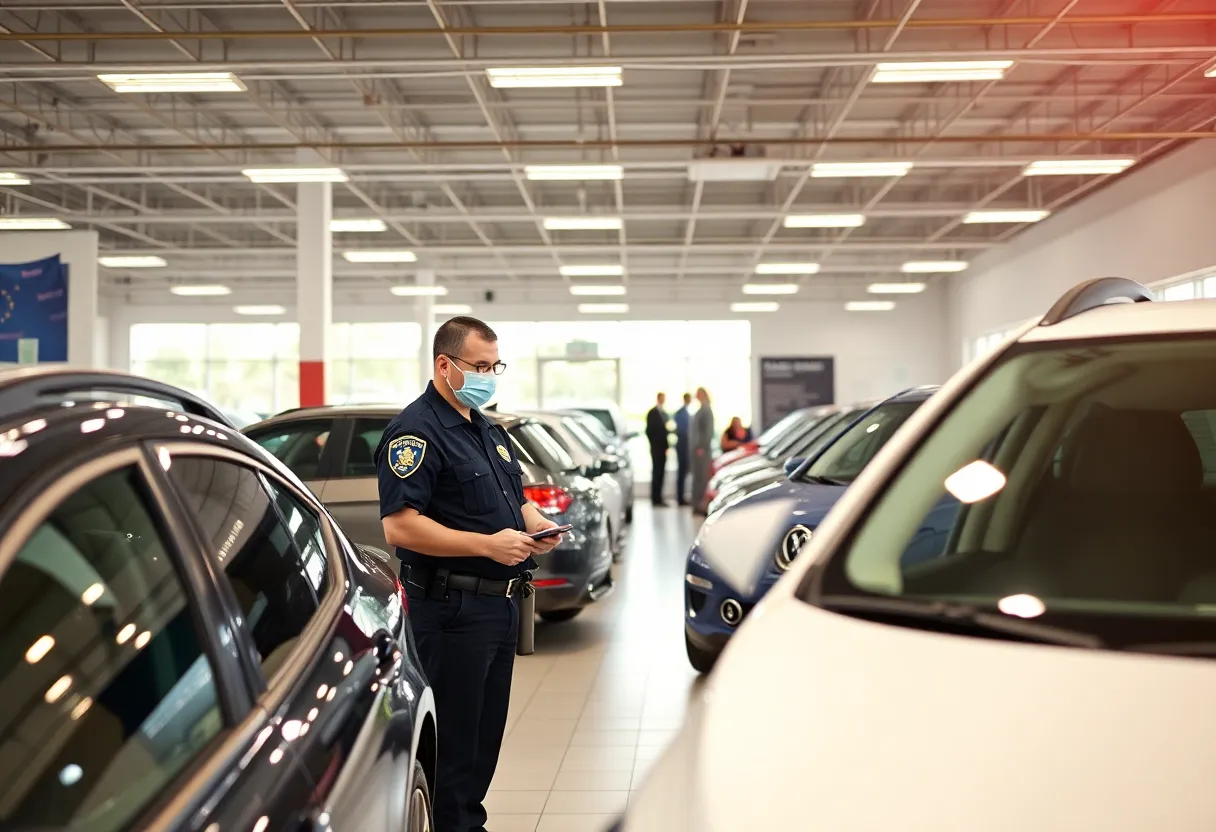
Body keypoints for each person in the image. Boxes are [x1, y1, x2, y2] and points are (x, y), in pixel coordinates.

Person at [376, 316, 564, 832]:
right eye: (479, 366)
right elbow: (399, 526)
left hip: (498, 607)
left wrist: (537, 524)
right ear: (445, 365)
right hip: (451, 610)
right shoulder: (415, 432)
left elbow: (515, 500)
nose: (488, 376)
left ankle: (466, 822)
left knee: (483, 741)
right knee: (455, 745)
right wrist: (487, 545)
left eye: (494, 366)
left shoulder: (484, 428)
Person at [690, 387, 715, 515]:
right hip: (697, 450)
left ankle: (701, 505)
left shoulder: (706, 410)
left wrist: (701, 447)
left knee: (702, 478)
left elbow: (708, 432)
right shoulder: (701, 409)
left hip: (702, 451)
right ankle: (696, 504)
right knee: (697, 477)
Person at [645, 392, 670, 506]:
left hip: (663, 449)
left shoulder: (664, 414)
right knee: (656, 473)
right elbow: (649, 431)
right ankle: (655, 498)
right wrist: (655, 445)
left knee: (661, 474)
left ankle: (659, 497)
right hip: (656, 449)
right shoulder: (652, 413)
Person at [673, 392, 692, 506]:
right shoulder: (681, 413)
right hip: (682, 446)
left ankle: (682, 496)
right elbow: (683, 430)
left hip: (685, 446)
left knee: (684, 472)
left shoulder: (686, 412)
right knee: (681, 472)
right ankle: (680, 497)